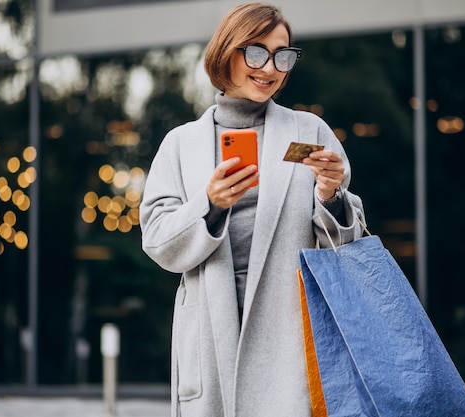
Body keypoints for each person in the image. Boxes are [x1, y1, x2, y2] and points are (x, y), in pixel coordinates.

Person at [140, 3, 365, 416]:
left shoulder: (308, 132)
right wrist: (211, 205)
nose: (271, 67)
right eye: (256, 51)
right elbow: (157, 240)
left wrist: (331, 195)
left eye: (283, 55)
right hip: (210, 329)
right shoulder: (181, 144)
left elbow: (347, 248)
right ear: (227, 51)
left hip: (289, 329)